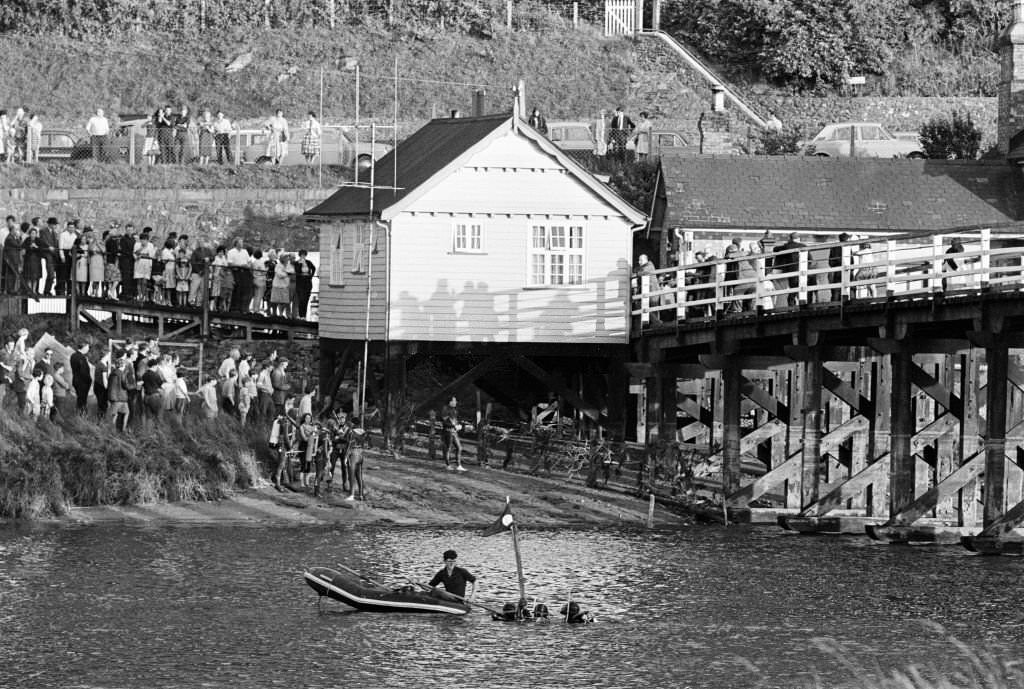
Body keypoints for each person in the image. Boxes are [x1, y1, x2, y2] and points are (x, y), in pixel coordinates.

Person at [772, 232, 805, 307]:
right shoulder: (804, 246)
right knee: (802, 291)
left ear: (790, 239)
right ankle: (802, 307)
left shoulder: (787, 246)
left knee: (793, 290)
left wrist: (787, 243)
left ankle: (792, 307)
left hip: (792, 271)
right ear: (799, 239)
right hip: (803, 271)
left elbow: (775, 249)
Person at [441, 396, 466, 472]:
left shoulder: (454, 410)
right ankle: (447, 465)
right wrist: (454, 426)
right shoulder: (445, 409)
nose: (456, 402)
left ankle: (459, 465)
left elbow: (455, 421)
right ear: (450, 402)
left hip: (454, 432)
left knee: (459, 448)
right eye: (454, 401)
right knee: (448, 449)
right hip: (447, 432)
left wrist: (460, 426)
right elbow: (444, 422)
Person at [70, 342, 92, 414]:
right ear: (84, 347)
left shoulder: (73, 355)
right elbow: (83, 372)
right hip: (82, 382)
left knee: (80, 399)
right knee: (82, 400)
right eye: (88, 347)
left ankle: (79, 415)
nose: (88, 349)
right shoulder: (81, 357)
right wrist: (89, 380)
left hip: (76, 380)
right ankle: (81, 416)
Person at [293, 249, 316, 319]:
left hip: (307, 283)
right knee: (301, 299)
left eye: (304, 255)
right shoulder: (297, 263)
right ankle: (300, 315)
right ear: (299, 255)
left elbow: (313, 268)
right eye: (301, 255)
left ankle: (304, 316)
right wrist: (301, 264)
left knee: (306, 300)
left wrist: (311, 276)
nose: (303, 256)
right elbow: (297, 271)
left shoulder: (308, 262)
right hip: (300, 283)